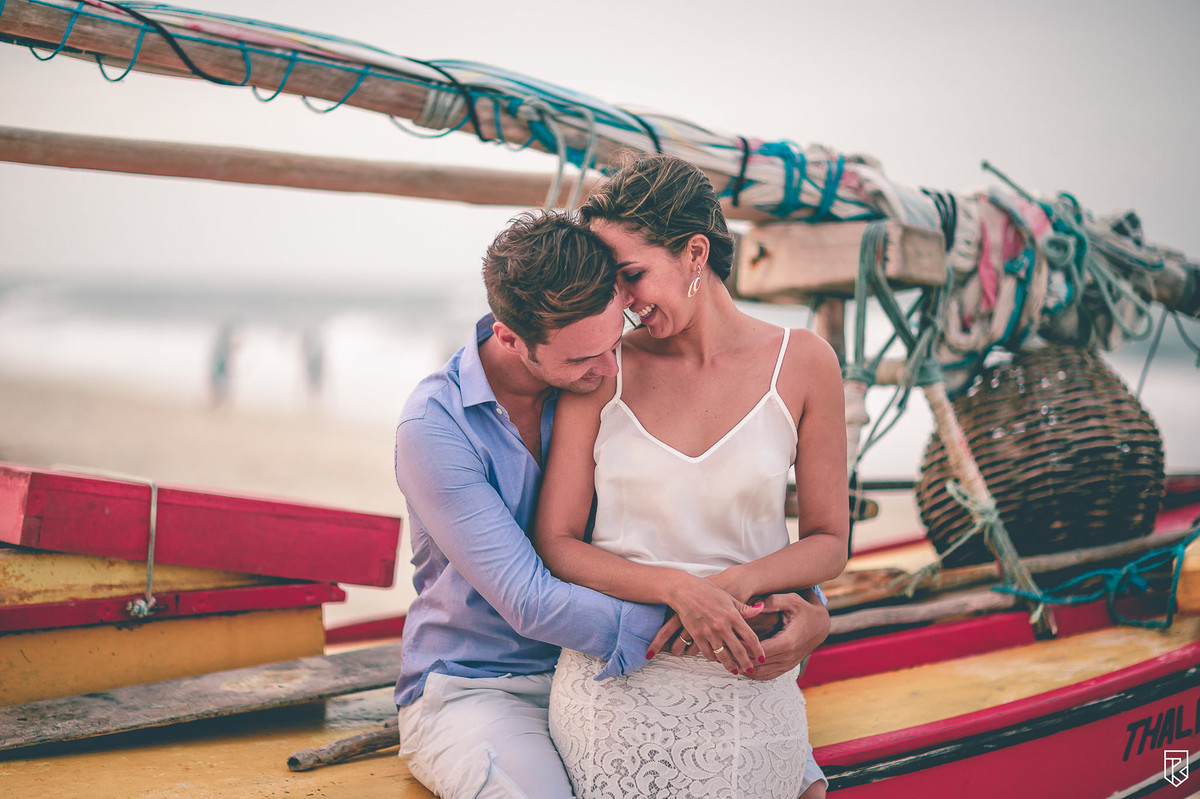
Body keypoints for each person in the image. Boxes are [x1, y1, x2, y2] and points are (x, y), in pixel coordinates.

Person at [393, 210, 831, 798]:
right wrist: (719, 625)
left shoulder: (595, 378)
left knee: (797, 780)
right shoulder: (435, 429)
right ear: (510, 339)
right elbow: (530, 600)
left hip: (622, 668)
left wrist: (806, 607)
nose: (605, 370)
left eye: (609, 343)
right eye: (581, 360)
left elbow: (682, 510)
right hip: (486, 683)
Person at [535, 154, 850, 798]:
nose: (620, 304)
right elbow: (558, 541)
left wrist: (733, 585)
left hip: (751, 672)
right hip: (619, 683)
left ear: (695, 253)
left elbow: (827, 541)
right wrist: (681, 590)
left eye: (631, 277)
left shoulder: (805, 362)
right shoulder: (604, 370)